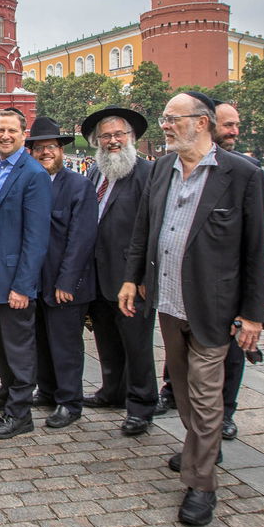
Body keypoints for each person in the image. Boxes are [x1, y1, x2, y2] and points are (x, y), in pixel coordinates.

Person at [120, 93, 264, 526]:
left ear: (202, 123)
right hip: (167, 302)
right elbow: (143, 229)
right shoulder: (162, 168)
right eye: (164, 118)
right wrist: (131, 277)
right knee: (182, 390)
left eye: (172, 119)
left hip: (213, 307)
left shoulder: (242, 174)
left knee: (204, 397)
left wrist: (253, 314)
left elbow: (257, 249)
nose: (164, 125)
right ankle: (201, 446)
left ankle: (200, 485)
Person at [0, 109, 52, 440]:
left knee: (19, 349)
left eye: (11, 131)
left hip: (13, 280)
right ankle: (7, 391)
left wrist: (23, 286)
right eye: (0, 129)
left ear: (24, 135)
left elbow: (36, 239)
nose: (4, 135)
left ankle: (20, 413)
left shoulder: (33, 174)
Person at [80, 107, 158, 436]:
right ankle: (112, 391)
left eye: (118, 135)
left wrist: (141, 277)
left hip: (130, 277)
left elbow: (153, 230)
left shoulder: (148, 174)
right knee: (107, 339)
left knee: (137, 344)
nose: (112, 141)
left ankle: (141, 404)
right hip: (100, 275)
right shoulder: (97, 173)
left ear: (132, 138)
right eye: (105, 136)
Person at [26, 116, 98, 430]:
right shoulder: (32, 184)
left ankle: (70, 402)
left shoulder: (78, 185)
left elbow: (81, 239)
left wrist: (67, 282)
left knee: (65, 345)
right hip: (37, 281)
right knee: (41, 339)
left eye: (51, 147)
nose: (45, 153)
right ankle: (48, 390)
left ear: (60, 150)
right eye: (39, 148)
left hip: (65, 284)